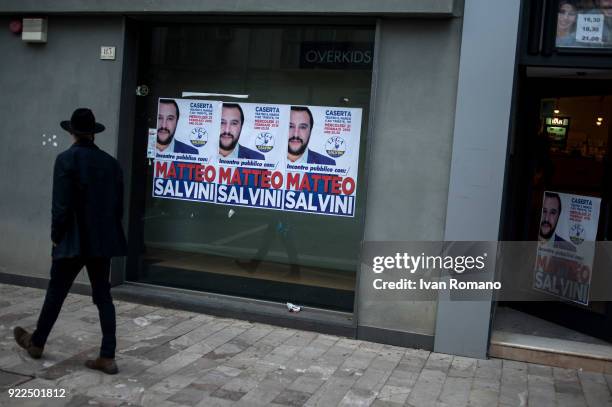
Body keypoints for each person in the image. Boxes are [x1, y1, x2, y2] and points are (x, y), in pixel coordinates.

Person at [13, 108, 127, 375]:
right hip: (100, 243)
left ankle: (37, 342)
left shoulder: (66, 160)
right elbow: (117, 208)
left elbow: (61, 207)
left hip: (73, 241)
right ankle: (107, 356)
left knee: (56, 293)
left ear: (71, 132)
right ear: (93, 133)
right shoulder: (111, 164)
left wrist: (56, 237)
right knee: (103, 297)